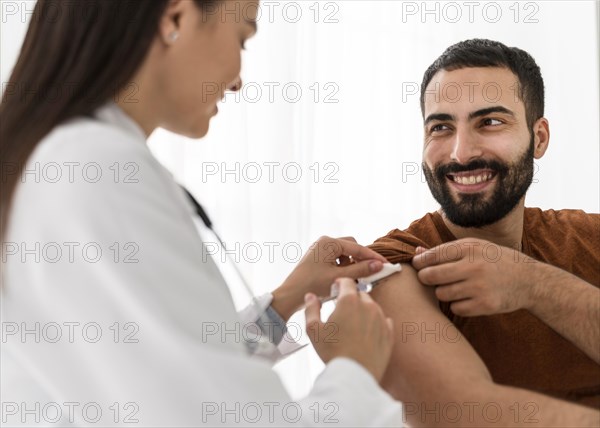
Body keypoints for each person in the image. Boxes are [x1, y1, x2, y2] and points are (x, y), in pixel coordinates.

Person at [0, 1, 402, 426]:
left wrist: (280, 305)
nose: (239, 82)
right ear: (175, 18)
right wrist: (354, 368)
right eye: (242, 39)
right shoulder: (97, 166)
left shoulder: (59, 159)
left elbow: (155, 371)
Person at [368, 39, 600, 424]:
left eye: (490, 122)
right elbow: (464, 412)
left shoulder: (588, 238)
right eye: (441, 127)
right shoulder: (393, 266)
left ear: (538, 138)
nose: (461, 153)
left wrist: (531, 283)